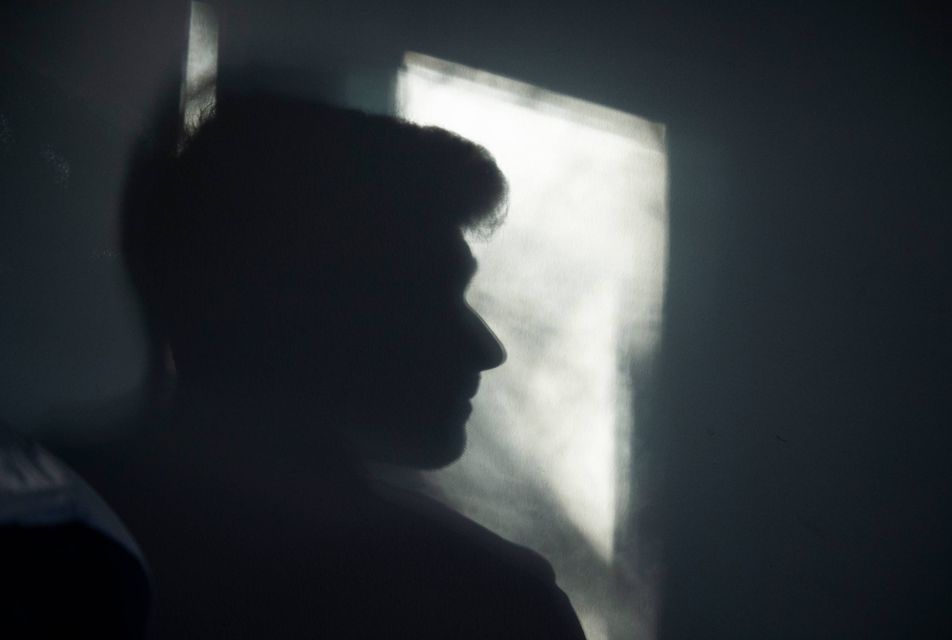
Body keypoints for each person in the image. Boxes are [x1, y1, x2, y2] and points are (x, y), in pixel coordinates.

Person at [55, 90, 587, 639]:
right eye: (425, 297)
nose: (487, 350)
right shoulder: (488, 607)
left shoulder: (45, 536)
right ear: (291, 306)